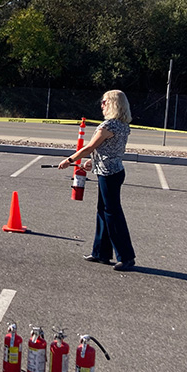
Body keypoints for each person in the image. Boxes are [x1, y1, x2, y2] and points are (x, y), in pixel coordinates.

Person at [58, 90, 136, 271]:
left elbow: (90, 147)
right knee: (103, 211)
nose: (101, 104)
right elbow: (108, 150)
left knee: (112, 214)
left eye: (104, 101)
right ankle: (101, 252)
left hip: (109, 174)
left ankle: (126, 257)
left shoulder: (108, 126)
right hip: (113, 171)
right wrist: (92, 162)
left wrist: (69, 160)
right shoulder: (122, 125)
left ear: (113, 103)